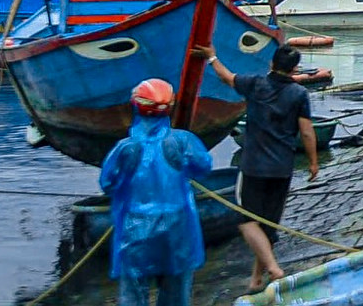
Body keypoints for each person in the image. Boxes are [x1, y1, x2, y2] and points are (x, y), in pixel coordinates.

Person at [196, 43, 318, 293]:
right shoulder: (299, 94)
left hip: (253, 166)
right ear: (295, 69)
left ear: (272, 64)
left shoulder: (255, 84)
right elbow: (306, 132)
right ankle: (256, 280)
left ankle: (273, 268)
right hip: (282, 168)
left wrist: (211, 56)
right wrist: (314, 162)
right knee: (267, 226)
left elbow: (225, 77)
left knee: (245, 221)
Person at [98, 78, 213, 306]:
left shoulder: (126, 148)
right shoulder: (182, 141)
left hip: (136, 227)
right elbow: (203, 168)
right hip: (177, 226)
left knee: (134, 292)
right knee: (176, 291)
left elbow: (108, 183)